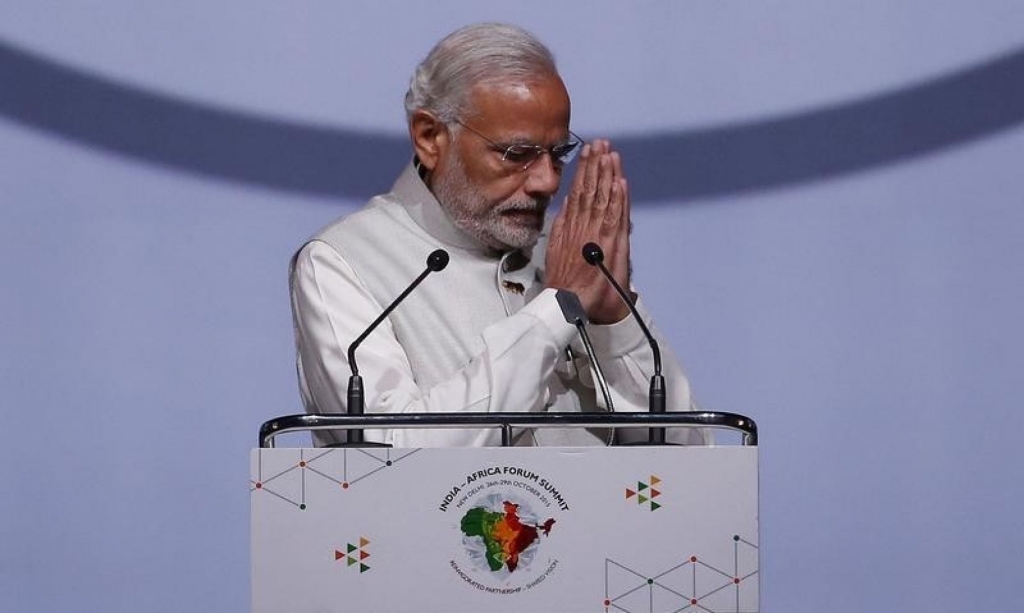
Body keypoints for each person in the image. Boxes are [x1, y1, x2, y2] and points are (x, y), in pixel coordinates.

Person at [289, 22, 708, 447]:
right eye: (517, 154)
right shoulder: (342, 261)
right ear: (430, 137)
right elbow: (391, 456)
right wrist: (553, 313)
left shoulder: (572, 256)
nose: (547, 181)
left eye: (558, 153)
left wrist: (614, 318)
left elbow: (692, 461)